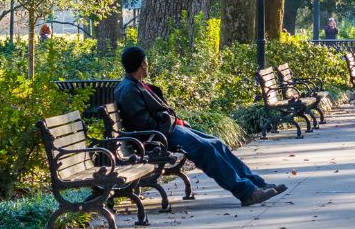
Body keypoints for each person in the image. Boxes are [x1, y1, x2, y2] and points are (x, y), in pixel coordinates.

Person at [114, 46, 285, 206]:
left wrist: (173, 120)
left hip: (168, 130)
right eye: (147, 61)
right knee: (206, 149)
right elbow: (145, 123)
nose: (148, 64)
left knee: (216, 143)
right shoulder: (129, 90)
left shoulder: (135, 84)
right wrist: (170, 119)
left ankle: (258, 184)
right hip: (158, 137)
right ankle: (247, 193)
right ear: (143, 63)